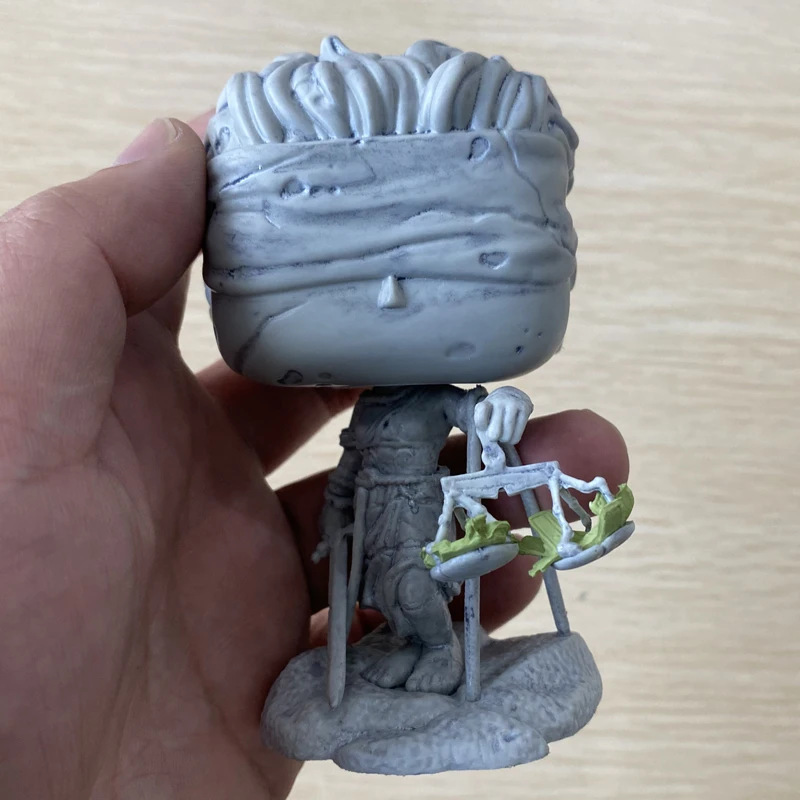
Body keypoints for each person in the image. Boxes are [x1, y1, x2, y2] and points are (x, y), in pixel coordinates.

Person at [0, 114, 628, 798]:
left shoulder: (432, 397)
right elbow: (351, 464)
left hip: (419, 500)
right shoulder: (371, 403)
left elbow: (476, 412)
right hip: (371, 506)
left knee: (415, 584)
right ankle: (406, 645)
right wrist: (333, 517)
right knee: (380, 588)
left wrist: (503, 406)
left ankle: (438, 648)